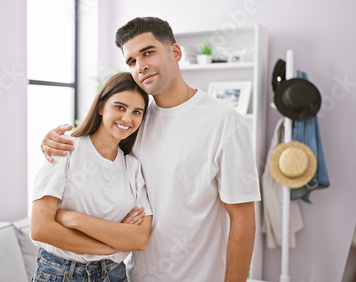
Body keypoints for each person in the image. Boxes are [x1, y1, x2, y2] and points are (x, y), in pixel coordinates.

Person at [40, 17, 261, 281]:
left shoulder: (224, 122)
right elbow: (93, 146)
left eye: (148, 53)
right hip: (137, 275)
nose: (140, 66)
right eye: (131, 61)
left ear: (176, 52)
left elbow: (243, 218)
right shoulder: (134, 121)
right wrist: (50, 140)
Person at [30, 72, 153, 282]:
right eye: (119, 107)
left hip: (113, 274)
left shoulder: (132, 167)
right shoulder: (67, 149)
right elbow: (41, 229)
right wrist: (113, 244)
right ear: (101, 106)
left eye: (137, 112)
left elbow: (139, 239)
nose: (127, 118)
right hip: (60, 273)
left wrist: (76, 219)